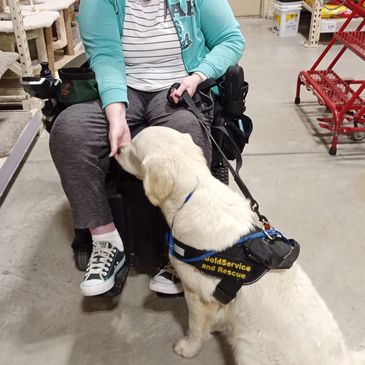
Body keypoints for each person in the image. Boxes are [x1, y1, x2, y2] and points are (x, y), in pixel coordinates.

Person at [49, 0, 245, 296]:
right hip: (121, 87)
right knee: (70, 130)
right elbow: (105, 56)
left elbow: (231, 39)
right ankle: (106, 241)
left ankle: (183, 246)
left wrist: (198, 76)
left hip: (178, 87)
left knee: (188, 133)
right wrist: (115, 115)